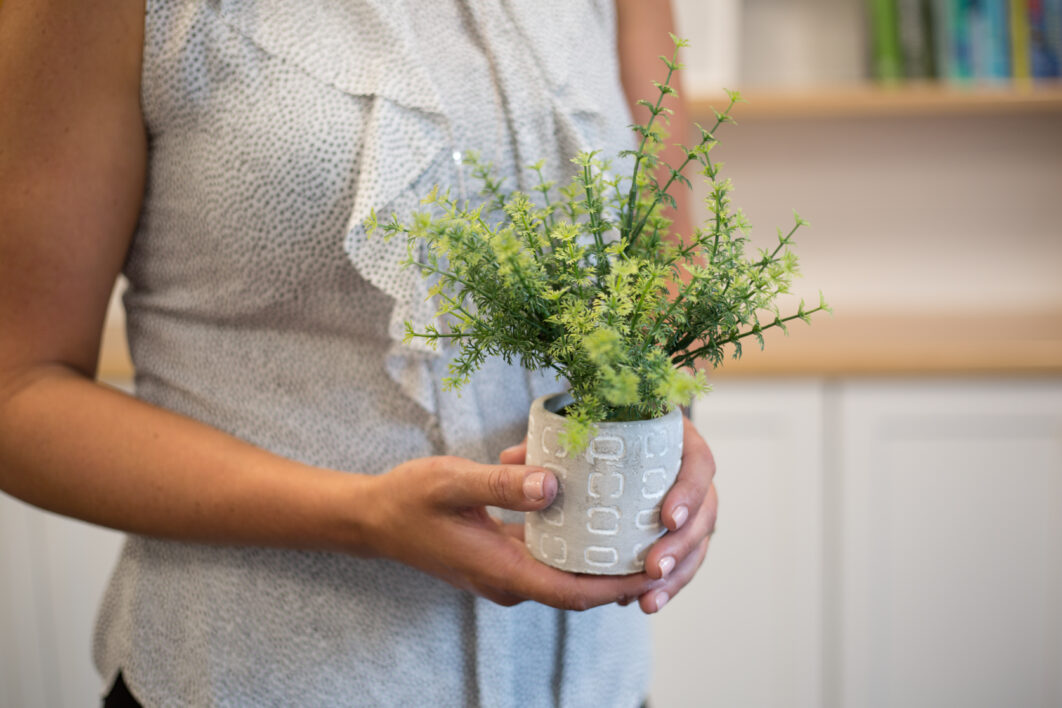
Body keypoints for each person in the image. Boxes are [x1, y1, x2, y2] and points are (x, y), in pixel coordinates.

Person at [0, 0, 718, 705]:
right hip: (259, 679)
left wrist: (661, 430)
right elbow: (18, 390)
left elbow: (664, 269)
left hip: (599, 683)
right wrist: (361, 514)